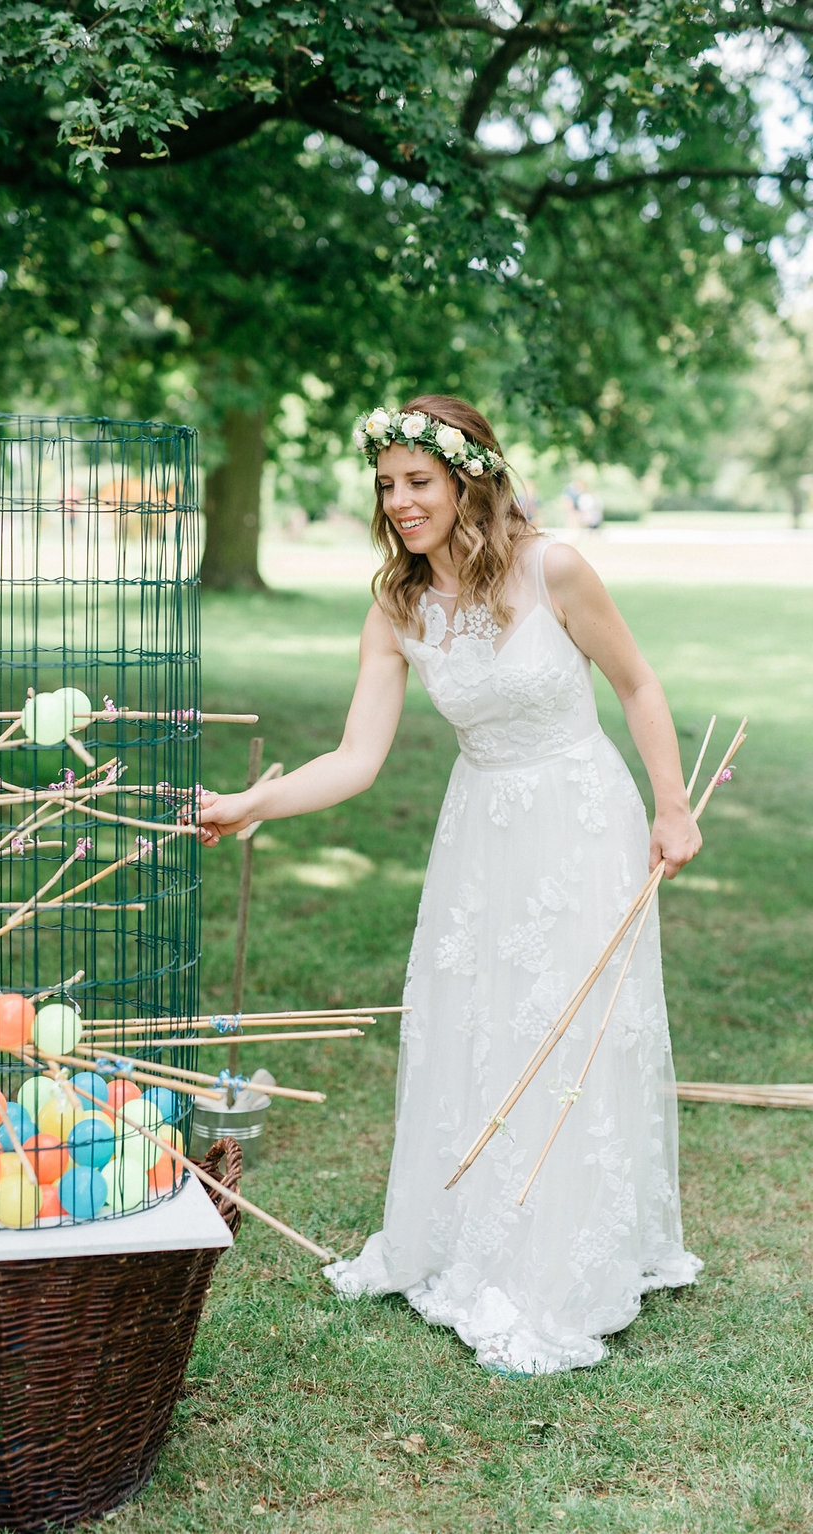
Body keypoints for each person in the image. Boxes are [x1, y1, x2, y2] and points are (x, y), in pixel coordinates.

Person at [195, 395, 703, 1375]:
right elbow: (354, 757)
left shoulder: (553, 566)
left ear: (469, 478)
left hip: (577, 814)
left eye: (416, 482)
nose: (398, 503)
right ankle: (472, 1234)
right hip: (480, 829)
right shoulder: (394, 605)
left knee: (566, 1022)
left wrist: (670, 805)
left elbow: (637, 683)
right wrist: (254, 804)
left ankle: (567, 1260)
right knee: (475, 1020)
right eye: (385, 486)